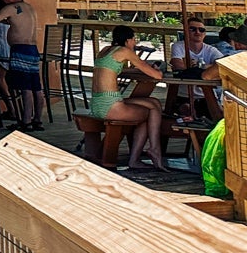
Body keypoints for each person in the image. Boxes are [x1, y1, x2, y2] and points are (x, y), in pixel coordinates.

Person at [90, 25, 168, 172]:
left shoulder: (105, 50)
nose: (135, 43)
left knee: (154, 103)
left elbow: (116, 69)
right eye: (134, 39)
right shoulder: (124, 51)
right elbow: (157, 76)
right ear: (127, 40)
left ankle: (147, 152)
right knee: (151, 113)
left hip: (97, 103)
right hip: (112, 106)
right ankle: (152, 151)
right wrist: (156, 69)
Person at [0, 0, 44, 131]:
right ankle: (37, 119)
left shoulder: (11, 8)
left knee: (25, 87)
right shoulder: (29, 7)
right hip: (33, 49)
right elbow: (20, 20)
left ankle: (26, 121)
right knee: (36, 87)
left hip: (20, 49)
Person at [171, 15, 226, 119]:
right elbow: (177, 64)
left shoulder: (211, 50)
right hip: (184, 95)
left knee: (219, 116)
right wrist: (210, 69)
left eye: (201, 30)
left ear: (204, 33)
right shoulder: (178, 46)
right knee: (185, 111)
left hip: (206, 96)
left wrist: (202, 66)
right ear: (185, 32)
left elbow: (223, 65)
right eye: (193, 29)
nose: (198, 32)